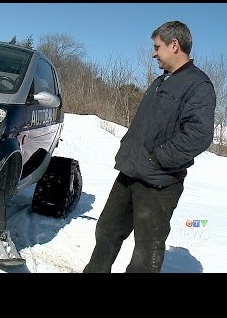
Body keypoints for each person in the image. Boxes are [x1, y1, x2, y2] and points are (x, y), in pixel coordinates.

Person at [83, 21, 216, 273]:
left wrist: (157, 159)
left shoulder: (198, 85)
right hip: (130, 173)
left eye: (157, 47)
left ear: (174, 45)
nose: (153, 53)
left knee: (145, 253)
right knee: (107, 231)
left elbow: (198, 135)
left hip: (159, 182)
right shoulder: (160, 81)